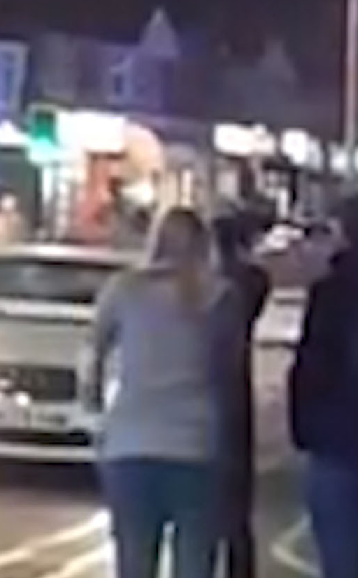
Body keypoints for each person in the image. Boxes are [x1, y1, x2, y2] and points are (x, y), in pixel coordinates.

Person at [82, 206, 222, 578]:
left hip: (131, 442)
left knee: (134, 561)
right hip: (196, 446)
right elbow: (229, 369)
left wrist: (94, 413)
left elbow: (92, 352)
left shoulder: (125, 289)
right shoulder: (218, 296)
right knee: (194, 561)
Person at [289, 192, 358, 578]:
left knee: (341, 563)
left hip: (338, 442)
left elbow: (310, 365)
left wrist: (304, 429)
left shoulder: (332, 292)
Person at [210, 210, 271, 578]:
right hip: (233, 392)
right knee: (235, 503)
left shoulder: (227, 285)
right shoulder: (250, 280)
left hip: (214, 390)